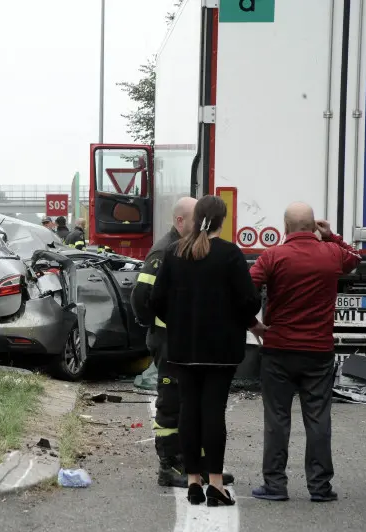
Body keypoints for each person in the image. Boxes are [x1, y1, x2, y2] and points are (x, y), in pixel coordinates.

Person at [150, 195, 261, 506]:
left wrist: (178, 322)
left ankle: (193, 482)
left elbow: (155, 301)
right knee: (213, 412)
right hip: (221, 350)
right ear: (222, 221)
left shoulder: (174, 253)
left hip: (183, 347)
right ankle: (215, 484)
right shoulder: (229, 254)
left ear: (196, 218)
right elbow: (249, 302)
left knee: (188, 410)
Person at [248, 202, 360, 503]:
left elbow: (243, 292)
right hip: (318, 352)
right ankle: (320, 487)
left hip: (278, 349)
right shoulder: (332, 254)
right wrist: (332, 236)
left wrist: (254, 325)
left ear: (285, 228)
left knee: (277, 418)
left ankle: (275, 485)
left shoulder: (272, 256)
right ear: (313, 227)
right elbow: (356, 259)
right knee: (319, 418)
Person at [131, 196, 219, 489]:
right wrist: (159, 327)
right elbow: (141, 299)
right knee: (171, 403)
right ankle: (168, 466)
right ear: (180, 221)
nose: (202, 227)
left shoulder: (189, 247)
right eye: (196, 221)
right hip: (168, 341)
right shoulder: (162, 252)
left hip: (189, 340)